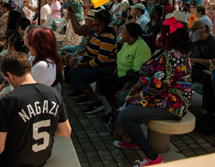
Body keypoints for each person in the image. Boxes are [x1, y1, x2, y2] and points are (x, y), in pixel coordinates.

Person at [114, 16, 192, 166]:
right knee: (123, 96)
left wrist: (137, 96)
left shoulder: (172, 56)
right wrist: (137, 86)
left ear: (168, 36)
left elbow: (158, 87)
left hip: (173, 103)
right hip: (163, 95)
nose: (158, 36)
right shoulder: (169, 51)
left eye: (161, 33)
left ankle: (152, 157)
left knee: (125, 116)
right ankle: (132, 139)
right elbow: (153, 75)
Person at [0, 52, 71, 167]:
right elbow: (65, 131)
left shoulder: (7, 102)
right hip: (42, 159)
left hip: (13, 162)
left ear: (10, 76)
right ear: (30, 71)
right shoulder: (53, 93)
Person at [67, 9, 118, 114]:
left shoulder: (108, 36)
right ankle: (85, 93)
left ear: (102, 21)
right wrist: (84, 59)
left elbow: (101, 59)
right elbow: (89, 48)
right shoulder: (97, 32)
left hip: (105, 66)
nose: (93, 19)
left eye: (95, 18)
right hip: (93, 62)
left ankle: (97, 103)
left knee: (76, 77)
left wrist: (84, 64)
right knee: (71, 73)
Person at [97, 23, 151, 113]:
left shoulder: (141, 48)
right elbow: (120, 60)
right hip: (121, 73)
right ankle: (115, 109)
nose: (121, 34)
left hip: (130, 77)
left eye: (124, 33)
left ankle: (117, 113)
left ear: (131, 36)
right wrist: (113, 75)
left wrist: (123, 89)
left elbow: (137, 74)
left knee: (109, 91)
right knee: (102, 84)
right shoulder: (127, 42)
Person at [27, 27, 64, 94]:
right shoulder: (50, 60)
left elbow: (24, 89)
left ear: (39, 45)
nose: (28, 46)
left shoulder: (44, 65)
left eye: (29, 43)